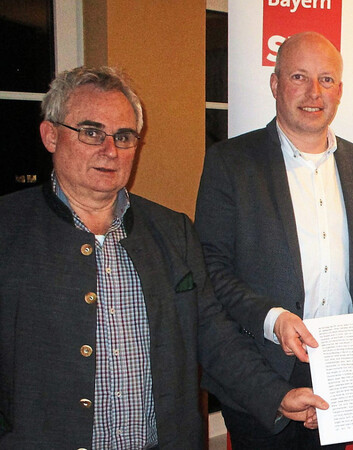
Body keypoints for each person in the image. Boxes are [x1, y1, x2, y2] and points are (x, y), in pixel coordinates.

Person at [0, 66, 280, 449]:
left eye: (124, 136)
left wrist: (276, 396)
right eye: (91, 132)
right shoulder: (7, 230)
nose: (110, 150)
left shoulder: (172, 230)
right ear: (51, 135)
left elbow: (213, 335)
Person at [194, 31, 353, 449]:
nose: (314, 92)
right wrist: (273, 317)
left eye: (326, 80)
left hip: (340, 367)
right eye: (299, 77)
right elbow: (210, 266)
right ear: (275, 84)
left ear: (339, 90)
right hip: (264, 367)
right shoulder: (230, 161)